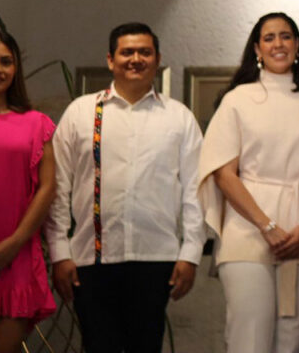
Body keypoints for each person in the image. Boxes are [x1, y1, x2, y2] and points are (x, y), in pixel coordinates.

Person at [46, 22, 205, 353]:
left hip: (156, 258)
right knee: (98, 346)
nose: (136, 59)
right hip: (91, 259)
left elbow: (195, 190)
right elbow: (58, 187)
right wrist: (59, 252)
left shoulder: (179, 117)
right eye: (127, 52)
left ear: (157, 59)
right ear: (110, 59)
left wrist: (191, 253)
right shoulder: (81, 112)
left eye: (144, 52)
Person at [198, 12, 299, 353]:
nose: (278, 44)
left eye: (285, 36)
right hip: (248, 226)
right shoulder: (237, 99)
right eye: (269, 38)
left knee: (293, 337)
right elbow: (224, 173)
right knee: (250, 334)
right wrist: (266, 225)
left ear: (297, 45)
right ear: (257, 49)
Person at [0, 30, 57, 353]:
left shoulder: (37, 123)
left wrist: (15, 243)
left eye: (6, 62)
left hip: (15, 257)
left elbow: (48, 187)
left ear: (16, 69)